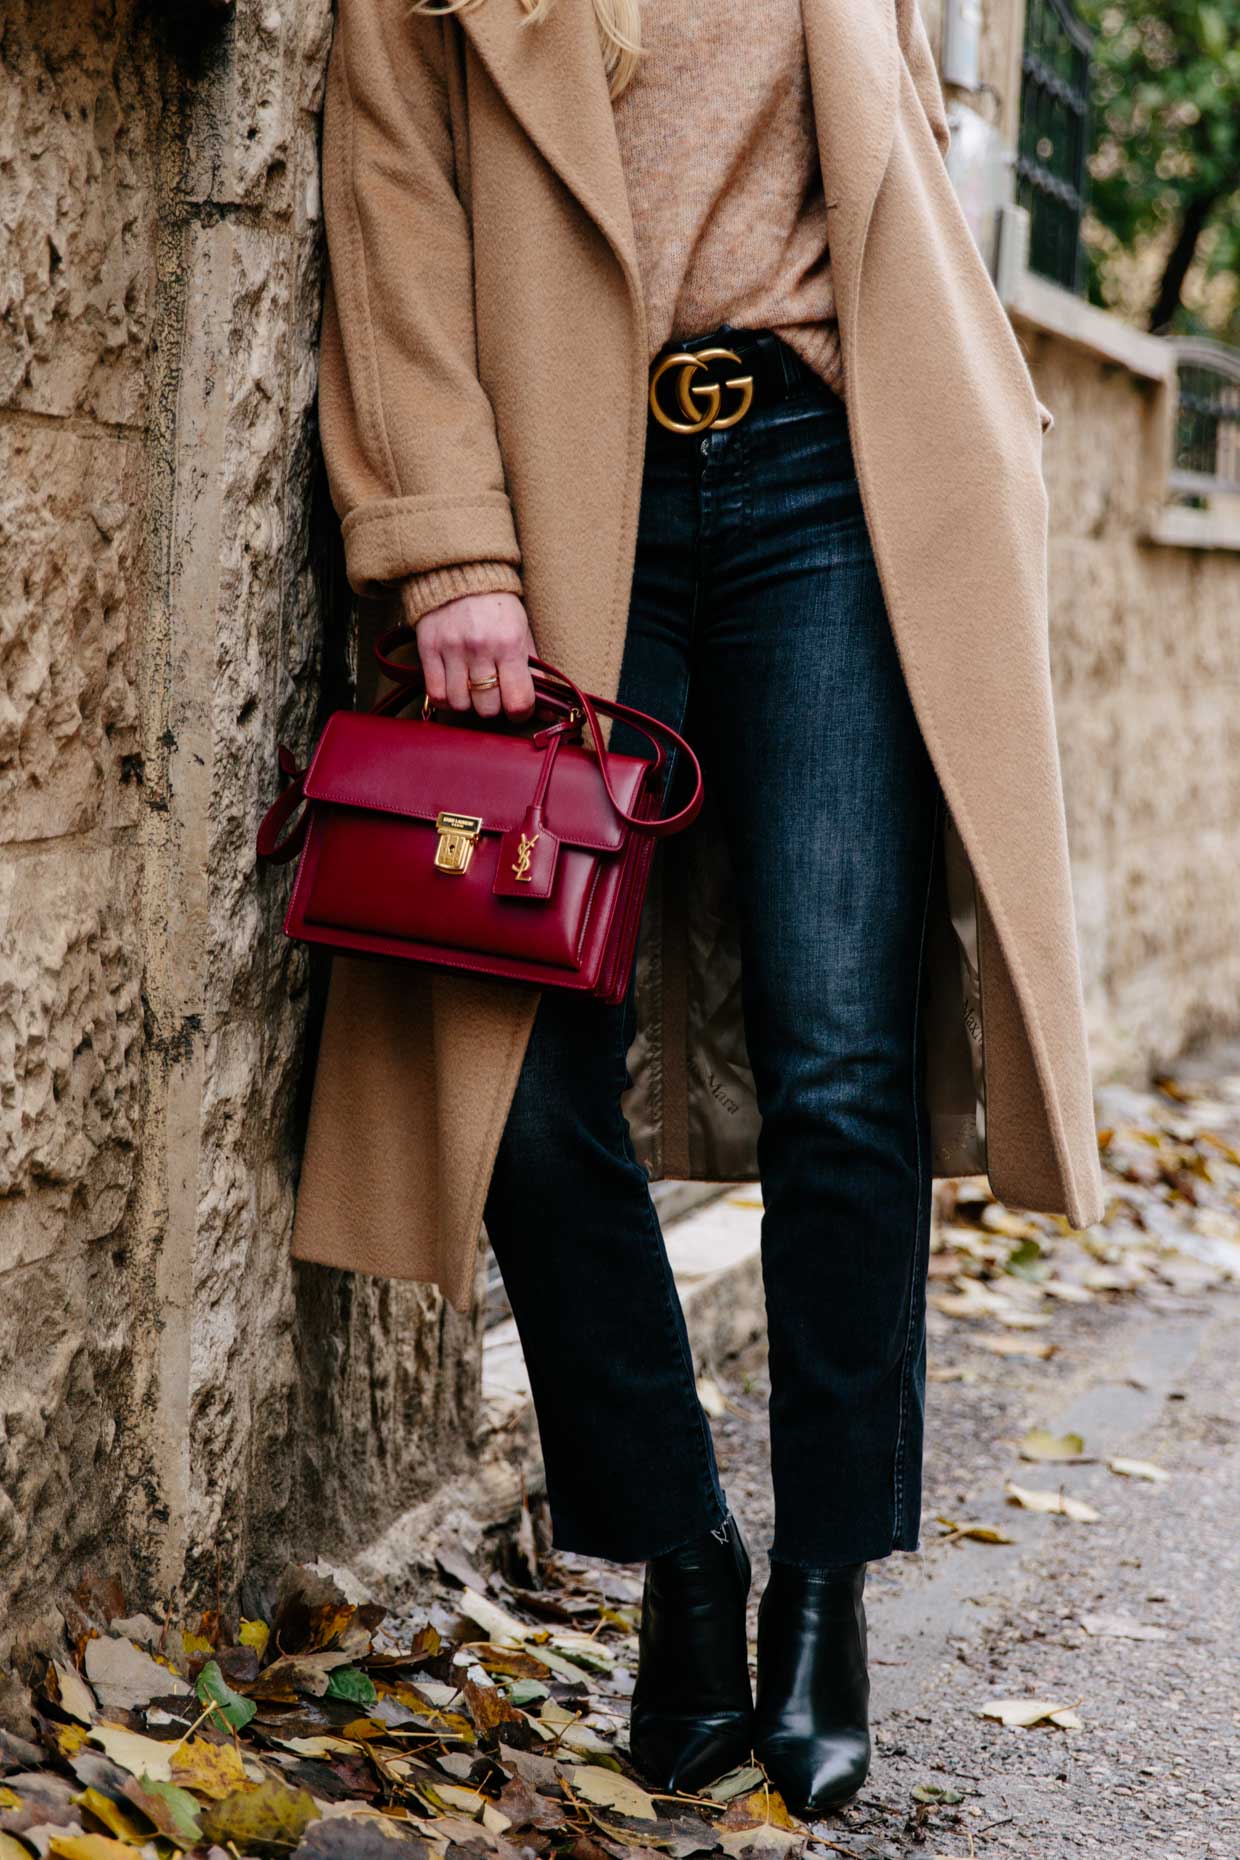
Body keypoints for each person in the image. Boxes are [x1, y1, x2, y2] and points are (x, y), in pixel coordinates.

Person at [293, 0, 1105, 1817]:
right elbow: (398, 209)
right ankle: (683, 1552)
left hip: (834, 467)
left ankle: (824, 1588)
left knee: (842, 1055)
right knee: (517, 1054)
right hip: (575, 490)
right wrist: (448, 548)